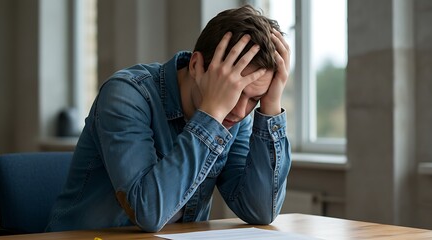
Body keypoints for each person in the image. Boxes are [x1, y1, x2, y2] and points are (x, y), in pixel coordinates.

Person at [46, 4, 292, 233]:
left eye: (253, 99)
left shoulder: (234, 116)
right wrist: (211, 116)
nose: (240, 111)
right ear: (196, 66)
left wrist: (270, 107)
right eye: (233, 91)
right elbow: (149, 213)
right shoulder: (126, 96)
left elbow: (259, 211)